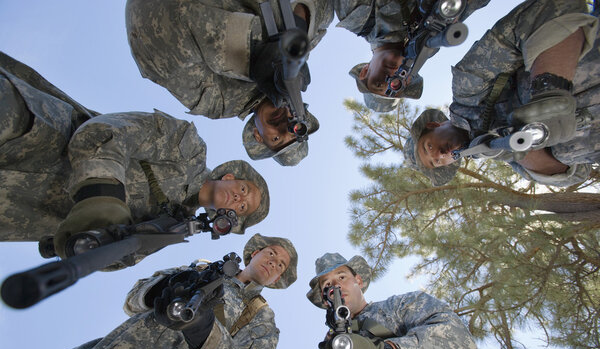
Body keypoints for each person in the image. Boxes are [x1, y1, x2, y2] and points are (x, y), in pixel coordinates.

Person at [0, 52, 270, 261]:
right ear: (230, 177)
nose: (240, 198)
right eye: (244, 189)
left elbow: (115, 259)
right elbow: (108, 131)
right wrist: (101, 193)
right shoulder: (189, 149)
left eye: (243, 207)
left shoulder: (173, 230)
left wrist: (93, 248)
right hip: (34, 132)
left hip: (20, 206)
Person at [8, 233, 298, 349]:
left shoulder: (261, 317)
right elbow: (134, 298)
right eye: (272, 253)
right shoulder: (201, 267)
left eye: (281, 266)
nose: (274, 263)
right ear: (255, 252)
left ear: (276, 281)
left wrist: (202, 329)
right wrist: (163, 288)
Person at [404, 0, 599, 187]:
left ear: (434, 125)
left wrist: (550, 90)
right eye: (436, 162)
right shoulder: (509, 156)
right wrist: (516, 150)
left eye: (428, 147)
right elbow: (578, 173)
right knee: (563, 151)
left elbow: (552, 8)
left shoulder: (469, 89)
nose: (438, 155)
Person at [126, 0, 334, 166]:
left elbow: (154, 30)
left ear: (257, 135)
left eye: (277, 140)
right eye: (294, 127)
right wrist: (297, 24)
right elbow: (326, 9)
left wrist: (253, 55)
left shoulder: (219, 103)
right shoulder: (303, 48)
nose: (283, 128)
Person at [305, 252, 503, 349]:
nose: (336, 287)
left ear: (358, 280)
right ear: (325, 299)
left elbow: (461, 345)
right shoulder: (330, 346)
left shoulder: (400, 306)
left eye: (341, 277)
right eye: (327, 285)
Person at [339, 0, 490, 112]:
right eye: (396, 84)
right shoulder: (431, 42)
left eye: (379, 83)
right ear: (407, 79)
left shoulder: (357, 16)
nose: (391, 76)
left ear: (365, 71)